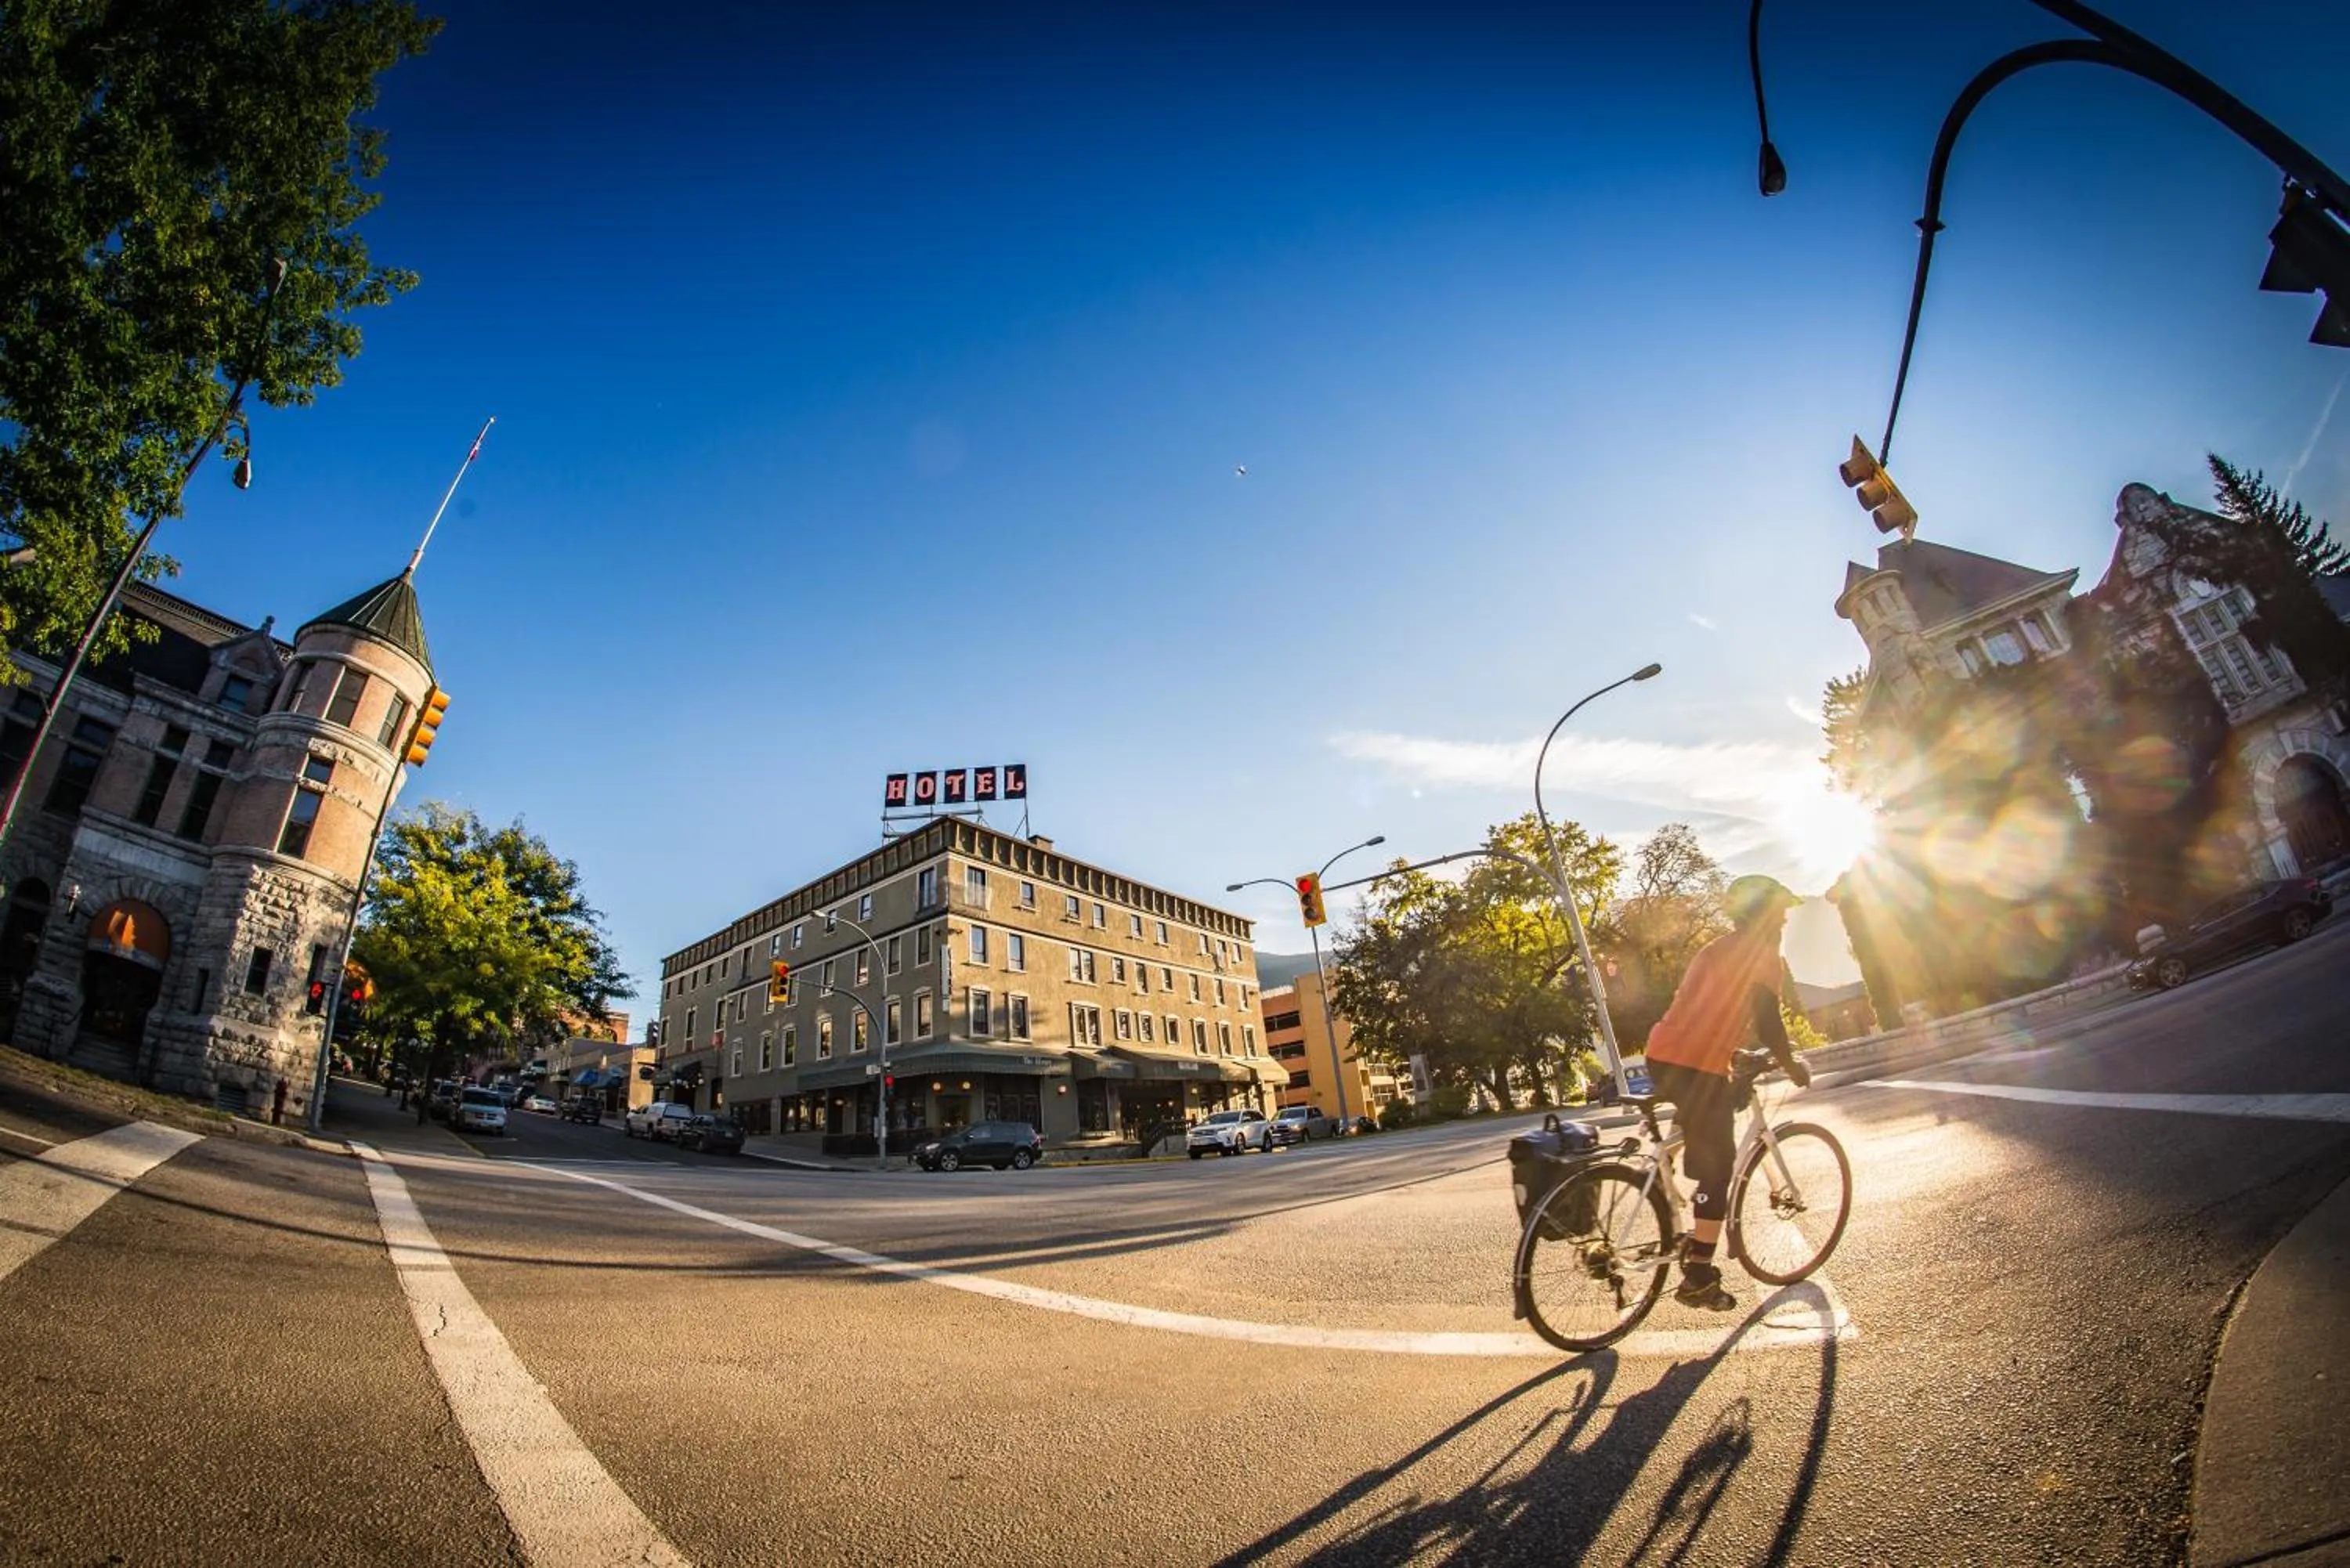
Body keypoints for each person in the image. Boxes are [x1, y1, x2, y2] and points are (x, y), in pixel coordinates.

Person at [1642, 873, 1813, 1311]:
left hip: (1664, 1054)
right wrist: (1791, 1064)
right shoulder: (1763, 955)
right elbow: (1768, 1021)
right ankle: (1699, 1275)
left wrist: (1732, 1053)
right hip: (1695, 1065)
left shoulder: (1715, 949)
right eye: (1780, 912)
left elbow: (1700, 1011)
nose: (1784, 922)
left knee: (1704, 1125)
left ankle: (1666, 1183)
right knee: (1718, 1169)